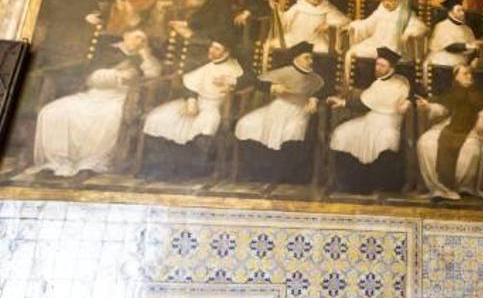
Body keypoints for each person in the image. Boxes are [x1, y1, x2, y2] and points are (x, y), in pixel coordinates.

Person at [31, 28, 161, 177]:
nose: (140, 42)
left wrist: (146, 57)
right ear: (125, 36)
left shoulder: (144, 56)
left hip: (122, 97)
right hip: (94, 93)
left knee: (108, 117)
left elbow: (154, 75)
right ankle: (57, 162)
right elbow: (92, 79)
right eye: (137, 37)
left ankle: (90, 163)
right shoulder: (107, 52)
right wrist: (117, 75)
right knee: (54, 111)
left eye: (143, 40)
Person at [141, 36, 244, 180]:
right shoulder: (205, 64)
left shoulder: (234, 68)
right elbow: (189, 84)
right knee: (158, 117)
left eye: (217, 49)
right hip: (193, 103)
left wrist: (232, 82)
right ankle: (159, 167)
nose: (212, 51)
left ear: (226, 53)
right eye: (211, 47)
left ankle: (187, 171)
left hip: (213, 107)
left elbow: (248, 81)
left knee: (204, 125)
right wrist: (191, 100)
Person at [234, 41, 325, 183]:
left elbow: (325, 89)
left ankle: (285, 175)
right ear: (296, 58)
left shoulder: (315, 78)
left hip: (299, 110)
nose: (310, 61)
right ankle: (259, 172)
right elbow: (256, 81)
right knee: (247, 124)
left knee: (291, 131)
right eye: (306, 58)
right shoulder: (284, 71)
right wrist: (272, 87)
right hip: (277, 107)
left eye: (311, 58)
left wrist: (314, 98)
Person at [328, 47, 411, 193]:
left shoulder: (401, 83)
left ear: (391, 68)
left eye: (382, 66)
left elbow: (414, 93)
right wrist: (342, 103)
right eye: (376, 64)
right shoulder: (377, 83)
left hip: (389, 122)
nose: (377, 68)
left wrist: (409, 101)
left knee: (385, 140)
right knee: (342, 132)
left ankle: (377, 184)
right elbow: (366, 102)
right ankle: (349, 182)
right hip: (371, 119)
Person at [416, 64, 483, 200]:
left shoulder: (479, 91)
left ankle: (464, 187)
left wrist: (482, 117)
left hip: (473, 127)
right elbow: (442, 108)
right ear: (456, 77)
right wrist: (428, 106)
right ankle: (438, 187)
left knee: (471, 149)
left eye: (470, 73)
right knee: (425, 142)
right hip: (451, 124)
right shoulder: (452, 91)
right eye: (465, 74)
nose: (469, 76)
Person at [343, 0, 428, 66]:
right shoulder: (381, 10)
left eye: (390, 0)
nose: (386, 3)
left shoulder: (404, 13)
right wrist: (353, 26)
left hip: (393, 48)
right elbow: (368, 24)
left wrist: (408, 33)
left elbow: (420, 27)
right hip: (375, 43)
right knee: (352, 52)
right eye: (384, 0)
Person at [280, 0, 350, 54]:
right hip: (294, 40)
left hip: (317, 43)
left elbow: (344, 21)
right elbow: (284, 21)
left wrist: (328, 24)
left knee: (323, 52)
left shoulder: (326, 8)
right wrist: (277, 13)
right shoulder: (297, 7)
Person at [423, 0, 480, 77]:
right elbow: (449, 46)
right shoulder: (441, 26)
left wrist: (476, 55)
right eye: (458, 10)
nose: (462, 13)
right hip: (443, 64)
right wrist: (467, 45)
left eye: (462, 10)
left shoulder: (468, 30)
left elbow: (474, 49)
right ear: (450, 12)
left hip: (463, 67)